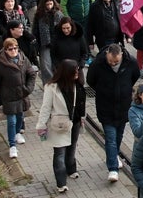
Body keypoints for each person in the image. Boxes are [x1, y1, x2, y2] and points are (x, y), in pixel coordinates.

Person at [86, 44, 140, 182]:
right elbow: (91, 80)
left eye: (116, 62)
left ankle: (113, 155)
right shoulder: (98, 64)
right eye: (110, 61)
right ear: (107, 55)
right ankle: (113, 168)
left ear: (121, 55)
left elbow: (135, 76)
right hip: (105, 107)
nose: (113, 64)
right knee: (110, 137)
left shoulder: (131, 62)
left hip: (123, 107)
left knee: (119, 136)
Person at [36, 59, 86, 191]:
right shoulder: (51, 87)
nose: (77, 73)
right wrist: (41, 125)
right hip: (59, 124)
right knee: (59, 152)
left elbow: (82, 103)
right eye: (74, 71)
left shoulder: (78, 85)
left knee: (72, 146)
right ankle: (61, 183)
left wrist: (82, 118)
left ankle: (71, 169)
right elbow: (46, 107)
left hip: (74, 122)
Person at [0, 38, 37, 159]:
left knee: (20, 117)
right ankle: (12, 145)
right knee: (11, 121)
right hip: (8, 96)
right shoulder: (0, 64)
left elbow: (32, 74)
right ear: (5, 50)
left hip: (21, 95)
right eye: (10, 49)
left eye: (15, 48)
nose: (14, 51)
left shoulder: (23, 59)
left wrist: (28, 88)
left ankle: (18, 133)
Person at [33, 0, 64, 84]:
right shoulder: (39, 15)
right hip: (44, 44)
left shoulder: (58, 14)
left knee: (57, 64)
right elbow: (35, 30)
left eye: (51, 4)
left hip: (57, 43)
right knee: (45, 65)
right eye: (47, 4)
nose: (49, 6)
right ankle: (49, 84)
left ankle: (56, 82)